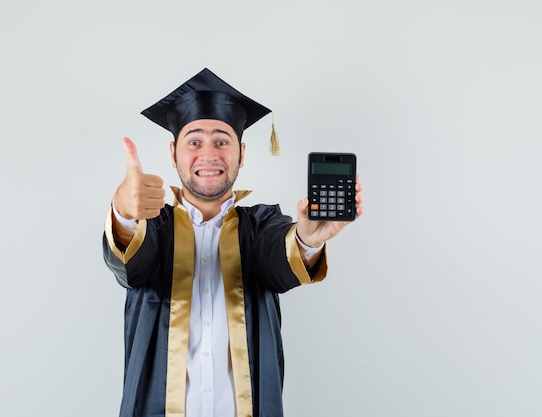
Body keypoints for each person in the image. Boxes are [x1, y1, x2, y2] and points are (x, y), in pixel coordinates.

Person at [103, 68, 364, 417]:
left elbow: (276, 259)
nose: (208, 155)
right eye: (194, 141)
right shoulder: (153, 226)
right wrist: (123, 210)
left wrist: (306, 240)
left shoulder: (262, 225)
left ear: (241, 153)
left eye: (222, 141)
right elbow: (129, 265)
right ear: (173, 153)